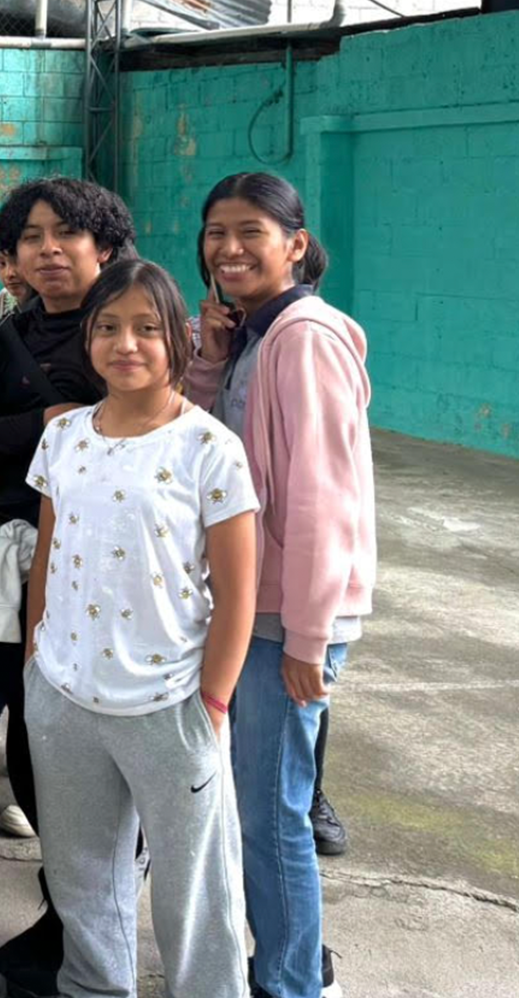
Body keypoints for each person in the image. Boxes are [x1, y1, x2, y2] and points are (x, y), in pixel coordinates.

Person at [24, 258, 259, 998]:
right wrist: (35, 661)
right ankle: (95, 987)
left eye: (146, 328)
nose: (125, 343)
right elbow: (47, 554)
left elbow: (238, 592)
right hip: (63, 694)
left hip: (170, 703)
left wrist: (211, 702)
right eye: (108, 327)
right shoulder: (63, 436)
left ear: (177, 340)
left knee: (195, 889)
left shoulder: (209, 448)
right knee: (81, 875)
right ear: (88, 339)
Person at [0, 177, 136, 996]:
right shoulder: (12, 335)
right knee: (34, 738)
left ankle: (86, 928)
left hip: (121, 567)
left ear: (103, 244)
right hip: (28, 559)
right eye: (30, 235)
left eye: (65, 232)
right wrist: (39, 425)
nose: (47, 248)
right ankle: (64, 923)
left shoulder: (134, 323)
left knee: (103, 752)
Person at [188, 173, 373, 998]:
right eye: (215, 232)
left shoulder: (303, 338)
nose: (228, 248)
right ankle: (284, 962)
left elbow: (322, 494)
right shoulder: (254, 334)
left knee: (270, 813)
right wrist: (209, 360)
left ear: (294, 244)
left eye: (249, 231)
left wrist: (307, 634)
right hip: (253, 604)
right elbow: (207, 448)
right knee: (253, 807)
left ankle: (290, 981)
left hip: (286, 615)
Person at [0, 244, 33, 319]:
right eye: (2, 263)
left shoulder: (52, 304)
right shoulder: (0, 301)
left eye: (18, 262)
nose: (9, 274)